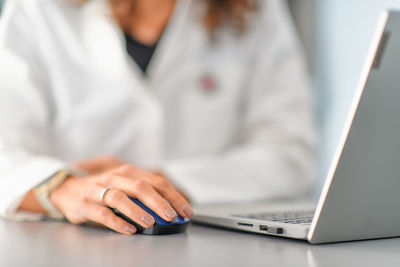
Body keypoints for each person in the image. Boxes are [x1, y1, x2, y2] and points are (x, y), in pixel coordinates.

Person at [0, 0, 315, 235]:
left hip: (211, 242)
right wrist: (62, 187)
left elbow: (290, 156)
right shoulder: (37, 11)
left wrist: (157, 182)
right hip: (73, 245)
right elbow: (6, 157)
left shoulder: (255, 10)